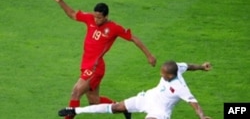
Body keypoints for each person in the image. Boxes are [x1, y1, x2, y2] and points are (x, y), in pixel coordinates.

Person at [49, 0, 157, 119]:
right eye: (95, 16)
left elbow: (133, 38)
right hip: (86, 64)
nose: (96, 20)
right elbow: (72, 14)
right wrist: (60, 1)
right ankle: (123, 107)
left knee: (76, 92)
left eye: (99, 18)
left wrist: (149, 55)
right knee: (94, 101)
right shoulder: (90, 19)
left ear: (106, 16)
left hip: (95, 67)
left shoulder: (114, 28)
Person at [58, 60, 212, 119]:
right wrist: (201, 67)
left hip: (159, 112)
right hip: (147, 98)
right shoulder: (177, 67)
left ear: (171, 75)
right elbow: (189, 66)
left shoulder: (180, 87)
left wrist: (202, 116)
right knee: (116, 107)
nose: (160, 74)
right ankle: (75, 111)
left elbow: (194, 103)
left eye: (163, 74)